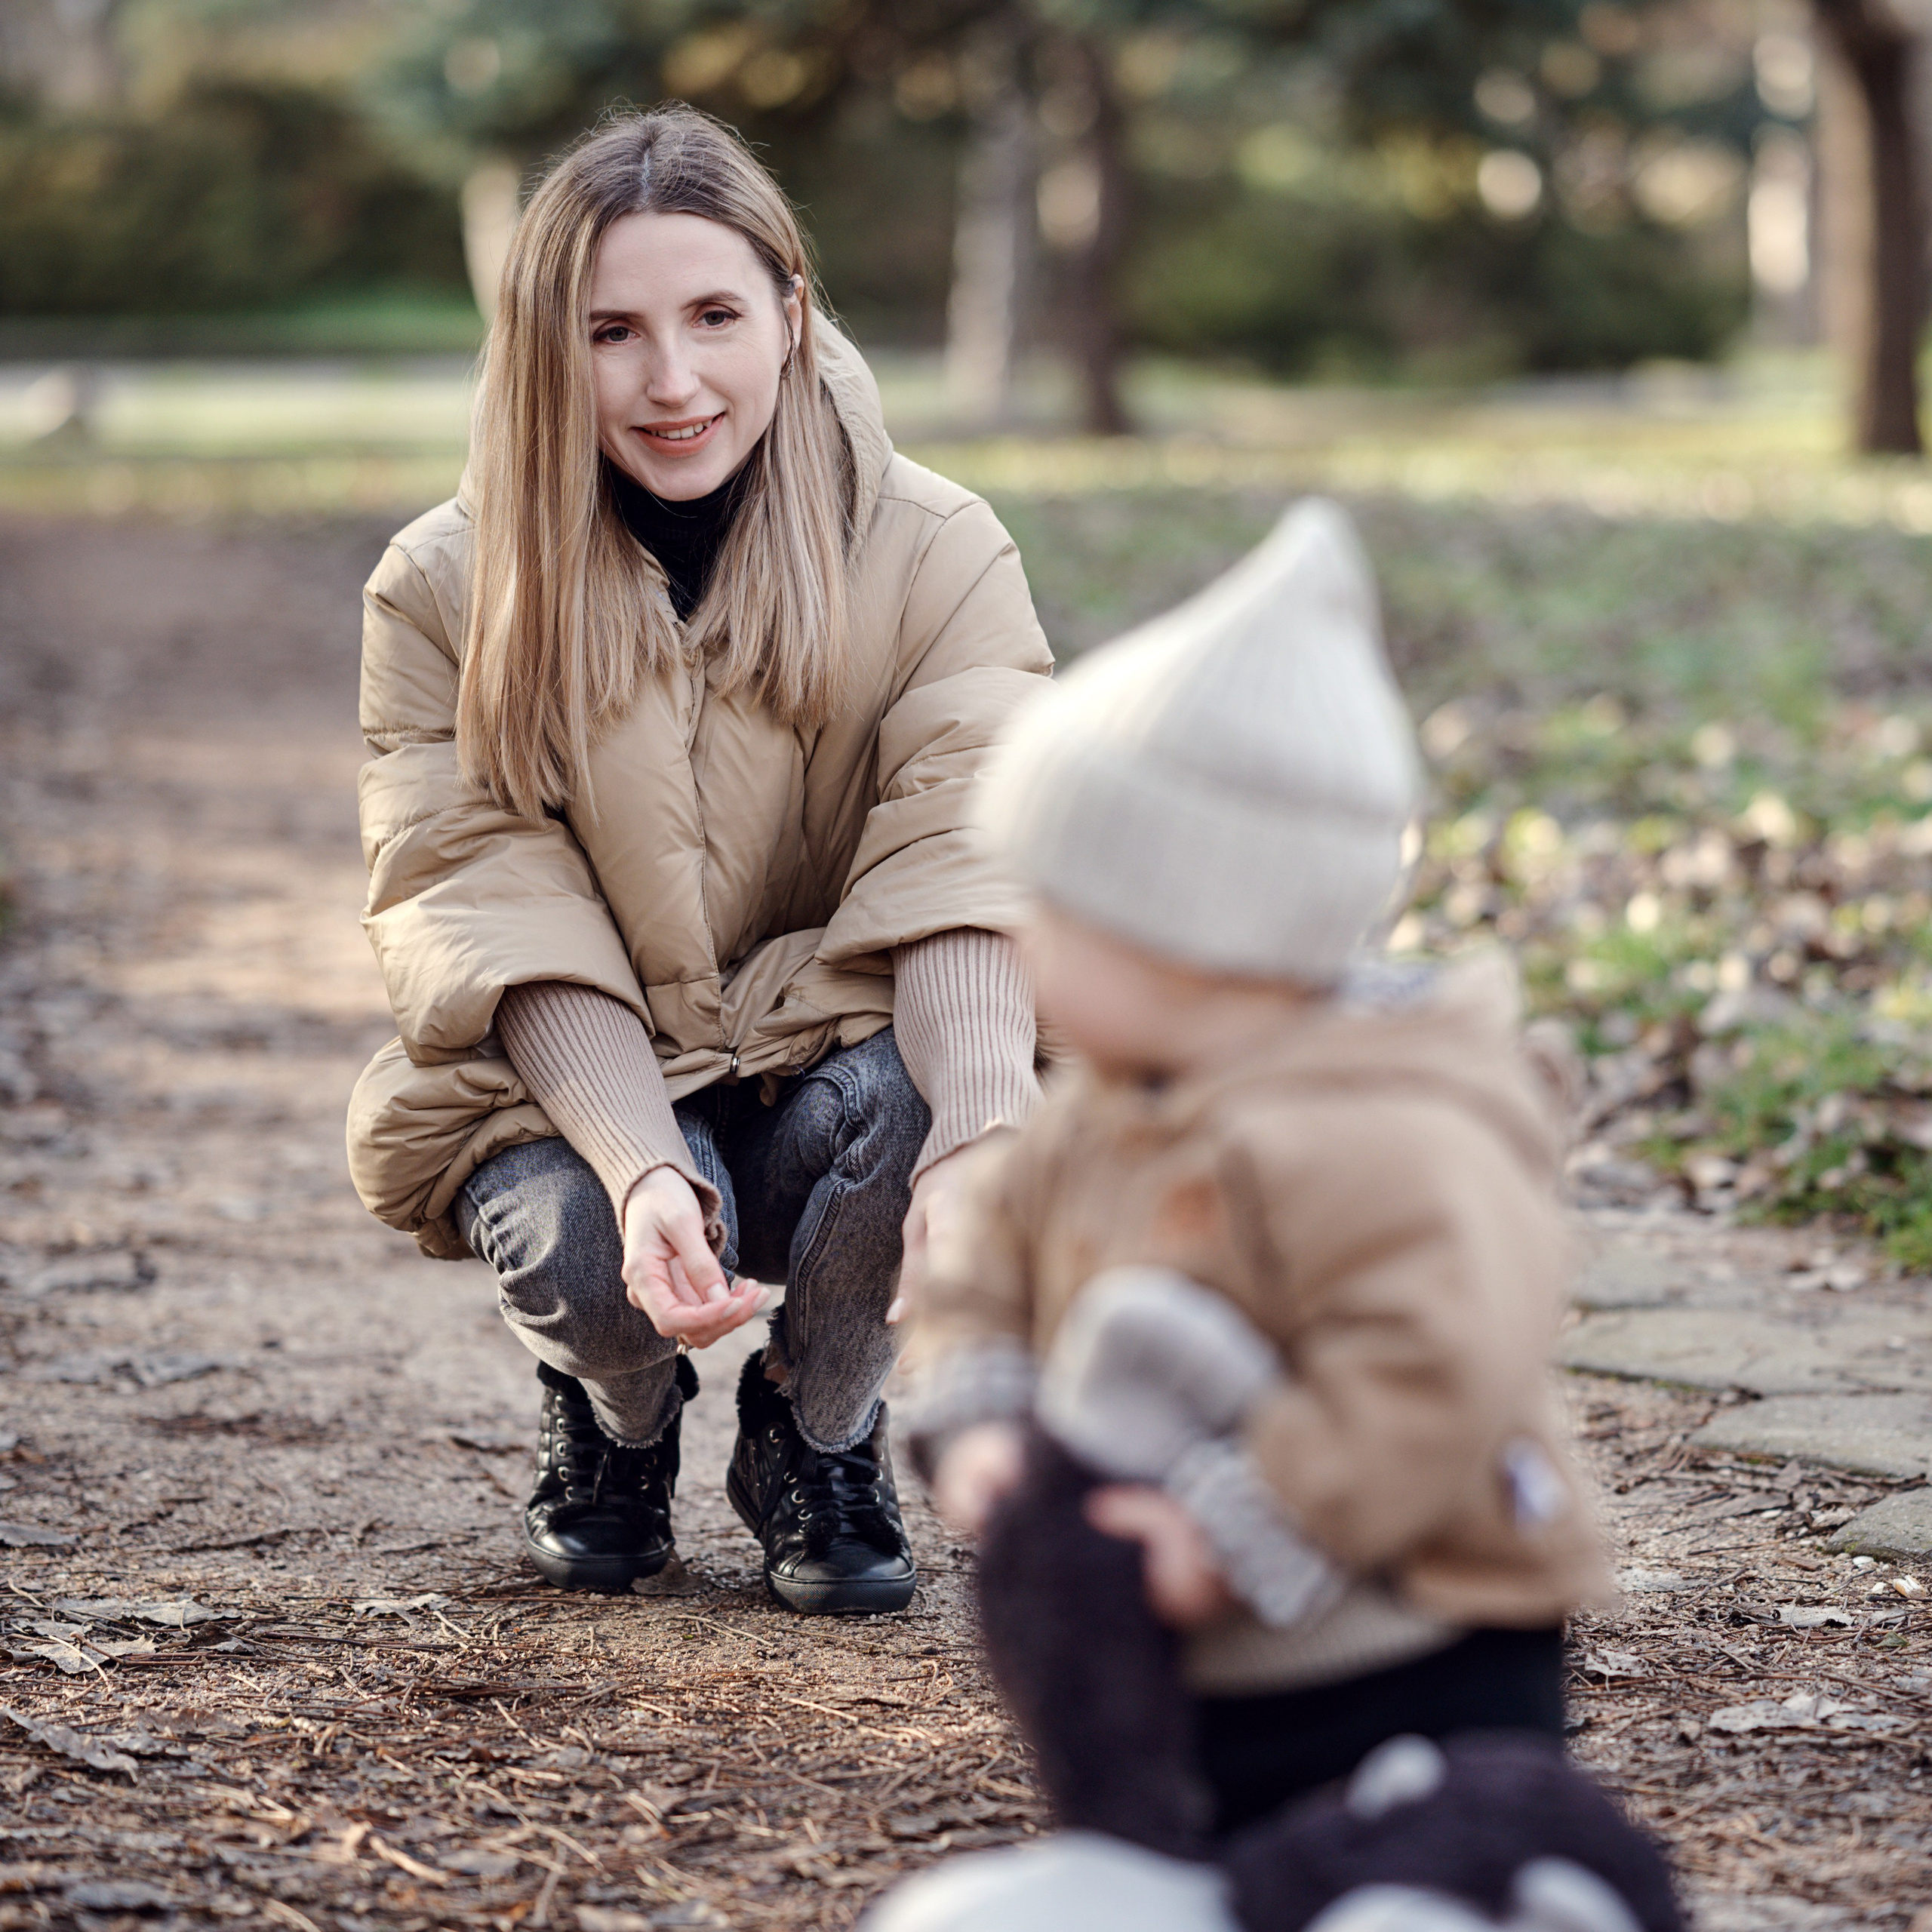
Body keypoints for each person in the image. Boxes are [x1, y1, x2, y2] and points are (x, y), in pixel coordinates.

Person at [878, 501, 1669, 1927]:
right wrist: (983, 1416)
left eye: (1050, 913)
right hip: (1210, 1666)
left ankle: (1502, 1888)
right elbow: (986, 1250)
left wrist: (1247, 1524)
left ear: (1190, 937)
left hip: (1412, 1634)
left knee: (1410, 1863)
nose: (1020, 945)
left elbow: (1433, 1365)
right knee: (1237, 1857)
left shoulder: (1390, 1129)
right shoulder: (1112, 1102)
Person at [345, 106, 1051, 1614]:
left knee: (938, 1108)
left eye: (714, 316)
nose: (671, 381)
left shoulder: (940, 550)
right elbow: (486, 900)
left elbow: (964, 856)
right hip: (584, 1072)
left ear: (790, 316)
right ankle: (618, 1418)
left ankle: (818, 1428)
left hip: (829, 1058)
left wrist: (985, 1127)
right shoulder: (443, 584)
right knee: (580, 1241)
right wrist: (640, 1159)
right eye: (612, 332)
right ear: (546, 348)